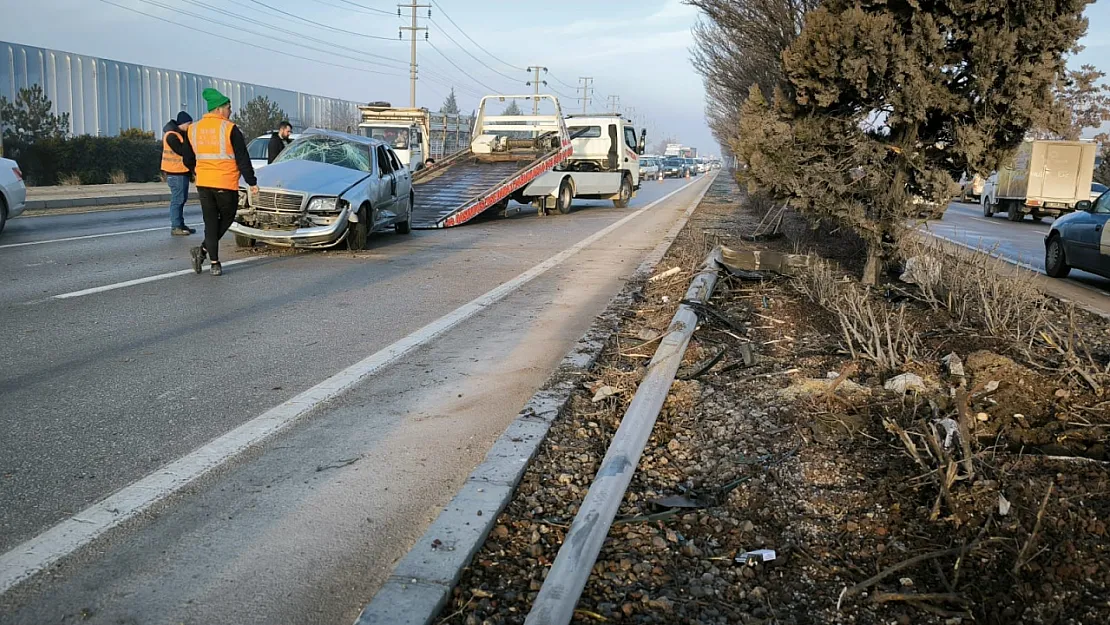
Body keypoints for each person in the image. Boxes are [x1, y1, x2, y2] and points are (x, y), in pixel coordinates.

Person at [187, 88, 258, 277]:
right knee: (226, 219)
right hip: (225, 183)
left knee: (210, 223)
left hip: (203, 183)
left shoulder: (193, 129)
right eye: (228, 107)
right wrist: (252, 182)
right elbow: (243, 157)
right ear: (219, 109)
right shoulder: (230, 129)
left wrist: (195, 172)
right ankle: (213, 261)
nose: (230, 111)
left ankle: (206, 255)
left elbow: (187, 156)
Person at [162, 111, 196, 236]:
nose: (190, 126)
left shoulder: (179, 134)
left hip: (181, 172)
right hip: (175, 172)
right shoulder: (172, 136)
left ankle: (180, 224)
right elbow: (182, 151)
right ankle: (176, 226)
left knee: (181, 199)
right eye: (189, 124)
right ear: (183, 123)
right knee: (178, 199)